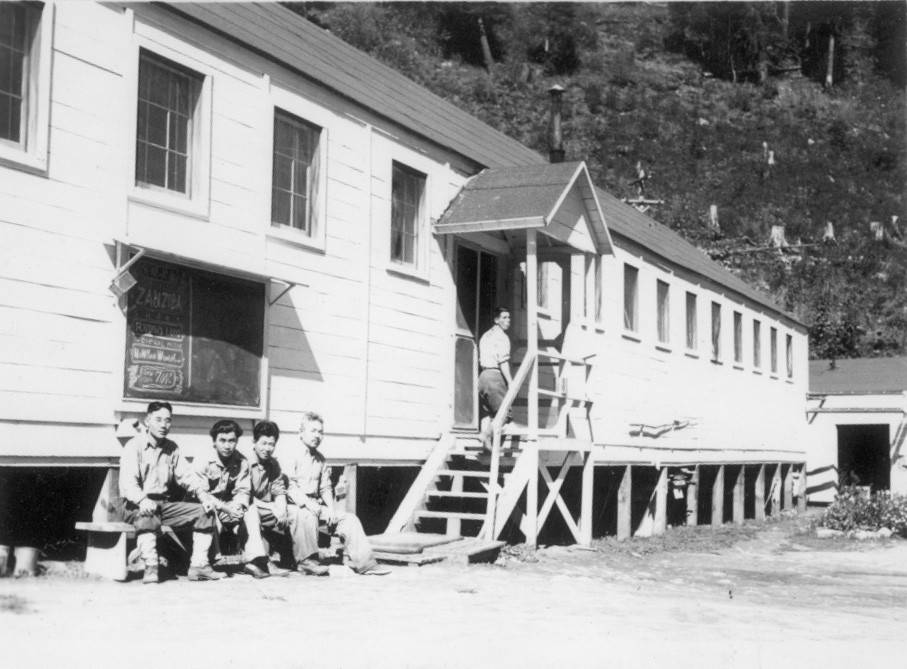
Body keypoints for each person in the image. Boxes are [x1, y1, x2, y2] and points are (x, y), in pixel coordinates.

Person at [119, 401, 224, 583]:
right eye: (158, 420)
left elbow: (187, 476)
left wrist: (203, 496)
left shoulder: (172, 448)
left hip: (164, 505)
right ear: (147, 421)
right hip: (135, 504)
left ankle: (199, 565)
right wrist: (142, 500)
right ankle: (151, 566)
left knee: (204, 512)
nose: (163, 425)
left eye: (168, 421)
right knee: (148, 513)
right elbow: (129, 484)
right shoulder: (133, 446)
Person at [284, 412, 389, 576]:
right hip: (294, 506)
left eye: (320, 432)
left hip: (316, 506)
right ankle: (307, 562)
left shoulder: (320, 459)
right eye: (313, 431)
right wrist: (309, 504)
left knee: (349, 519)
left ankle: (366, 564)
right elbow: (290, 488)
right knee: (306, 514)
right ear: (301, 432)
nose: (317, 436)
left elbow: (325, 487)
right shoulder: (291, 454)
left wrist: (331, 509)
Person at [241, 420, 303, 578]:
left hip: (266, 508)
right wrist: (273, 508)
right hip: (246, 509)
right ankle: (261, 562)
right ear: (254, 442)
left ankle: (296, 559)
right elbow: (245, 496)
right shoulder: (244, 462)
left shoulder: (273, 464)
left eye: (271, 444)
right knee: (253, 511)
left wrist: (281, 508)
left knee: (293, 512)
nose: (267, 448)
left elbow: (279, 490)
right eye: (263, 443)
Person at [193, 419, 252, 559]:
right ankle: (213, 558)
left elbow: (243, 490)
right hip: (205, 505)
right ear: (214, 441)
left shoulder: (242, 462)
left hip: (228, 506)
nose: (227, 446)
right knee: (210, 514)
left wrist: (238, 506)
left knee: (250, 512)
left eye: (232, 441)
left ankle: (253, 559)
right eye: (222, 440)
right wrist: (224, 508)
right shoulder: (203, 460)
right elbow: (202, 493)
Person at [478, 306, 512, 448]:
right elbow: (503, 362)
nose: (508, 320)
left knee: (488, 413)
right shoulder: (502, 337)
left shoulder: (485, 335)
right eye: (504, 317)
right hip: (494, 377)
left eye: (509, 317)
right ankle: (485, 436)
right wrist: (511, 382)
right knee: (504, 414)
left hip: (482, 377)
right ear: (496, 320)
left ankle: (485, 444)